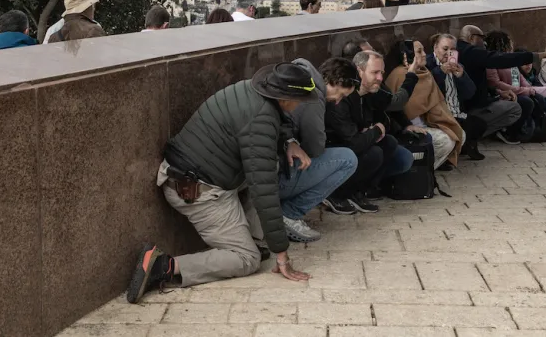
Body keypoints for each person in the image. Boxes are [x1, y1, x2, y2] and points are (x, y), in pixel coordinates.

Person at [127, 63, 319, 303]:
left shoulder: (250, 91)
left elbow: (265, 130)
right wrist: (282, 254)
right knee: (247, 259)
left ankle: (253, 238)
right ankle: (163, 265)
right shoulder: (261, 117)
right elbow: (264, 190)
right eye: (300, 100)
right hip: (198, 191)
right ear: (284, 98)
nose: (299, 105)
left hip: (195, 175)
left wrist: (287, 142)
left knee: (272, 166)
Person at [323, 50, 416, 213]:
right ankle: (336, 194)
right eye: (375, 72)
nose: (380, 78)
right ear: (359, 71)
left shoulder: (372, 91)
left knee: (390, 143)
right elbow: (353, 142)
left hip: (354, 142)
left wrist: (376, 129)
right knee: (373, 153)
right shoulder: (341, 97)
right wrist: (374, 131)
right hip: (335, 147)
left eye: (382, 72)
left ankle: (361, 190)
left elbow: (391, 111)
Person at [282, 58, 363, 239]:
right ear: (337, 81)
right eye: (341, 95)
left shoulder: (301, 77)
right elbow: (315, 147)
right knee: (347, 159)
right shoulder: (313, 96)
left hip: (263, 173)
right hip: (275, 176)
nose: (337, 102)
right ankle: (289, 213)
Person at [456, 25, 546, 146]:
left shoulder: (461, 51)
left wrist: (499, 92)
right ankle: (470, 137)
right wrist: (541, 54)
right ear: (472, 37)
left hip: (476, 101)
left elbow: (481, 83)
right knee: (516, 108)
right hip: (472, 107)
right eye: (481, 38)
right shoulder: (471, 52)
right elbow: (501, 60)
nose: (484, 42)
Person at [386, 40, 465, 170]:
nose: (424, 54)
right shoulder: (400, 75)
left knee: (460, 134)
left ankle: (427, 171)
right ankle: (420, 173)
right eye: (419, 51)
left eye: (423, 50)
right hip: (406, 128)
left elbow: (435, 104)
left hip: (427, 123)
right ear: (407, 55)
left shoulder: (424, 72)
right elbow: (400, 108)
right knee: (445, 141)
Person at [427, 33, 484, 160]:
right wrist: (440, 72)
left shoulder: (458, 65)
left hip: (457, 110)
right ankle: (448, 154)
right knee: (463, 127)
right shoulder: (428, 64)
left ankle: (466, 146)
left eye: (452, 50)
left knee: (479, 124)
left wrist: (461, 77)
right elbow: (427, 89)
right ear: (436, 48)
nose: (448, 53)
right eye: (445, 49)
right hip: (439, 113)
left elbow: (470, 93)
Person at [485, 31, 546, 142]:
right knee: (526, 102)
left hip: (518, 91)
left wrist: (529, 88)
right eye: (509, 43)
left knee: (539, 98)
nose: (511, 45)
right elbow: (496, 83)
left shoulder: (510, 61)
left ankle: (530, 129)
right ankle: (509, 132)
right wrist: (523, 90)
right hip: (503, 94)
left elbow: (521, 78)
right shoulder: (491, 62)